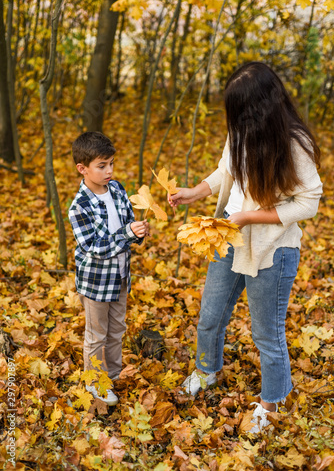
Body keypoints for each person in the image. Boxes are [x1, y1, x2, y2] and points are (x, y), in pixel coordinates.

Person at [169, 62, 322, 433]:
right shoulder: (241, 130)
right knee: (210, 316)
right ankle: (207, 371)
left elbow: (309, 202)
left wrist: (249, 218)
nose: (234, 119)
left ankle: (270, 402)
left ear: (261, 108)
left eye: (240, 110)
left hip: (272, 250)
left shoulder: (294, 144)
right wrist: (197, 191)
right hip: (227, 237)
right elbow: (227, 169)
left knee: (266, 333)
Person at [69, 131, 149, 405]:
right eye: (102, 166)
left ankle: (113, 375)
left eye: (111, 164)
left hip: (120, 276)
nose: (109, 171)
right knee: (96, 334)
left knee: (117, 329)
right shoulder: (78, 207)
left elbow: (128, 221)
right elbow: (94, 247)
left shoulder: (116, 189)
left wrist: (138, 230)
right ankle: (94, 382)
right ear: (83, 169)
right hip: (95, 282)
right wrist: (127, 234)